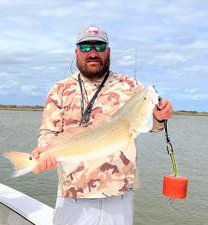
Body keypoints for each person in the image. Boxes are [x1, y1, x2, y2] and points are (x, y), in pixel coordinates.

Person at [32, 25, 173, 225]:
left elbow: (151, 125)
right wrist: (44, 153)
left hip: (119, 195)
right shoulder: (59, 90)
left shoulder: (131, 86)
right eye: (85, 47)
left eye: (99, 46)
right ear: (76, 51)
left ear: (108, 50)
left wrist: (160, 117)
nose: (92, 53)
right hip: (73, 195)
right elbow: (48, 132)